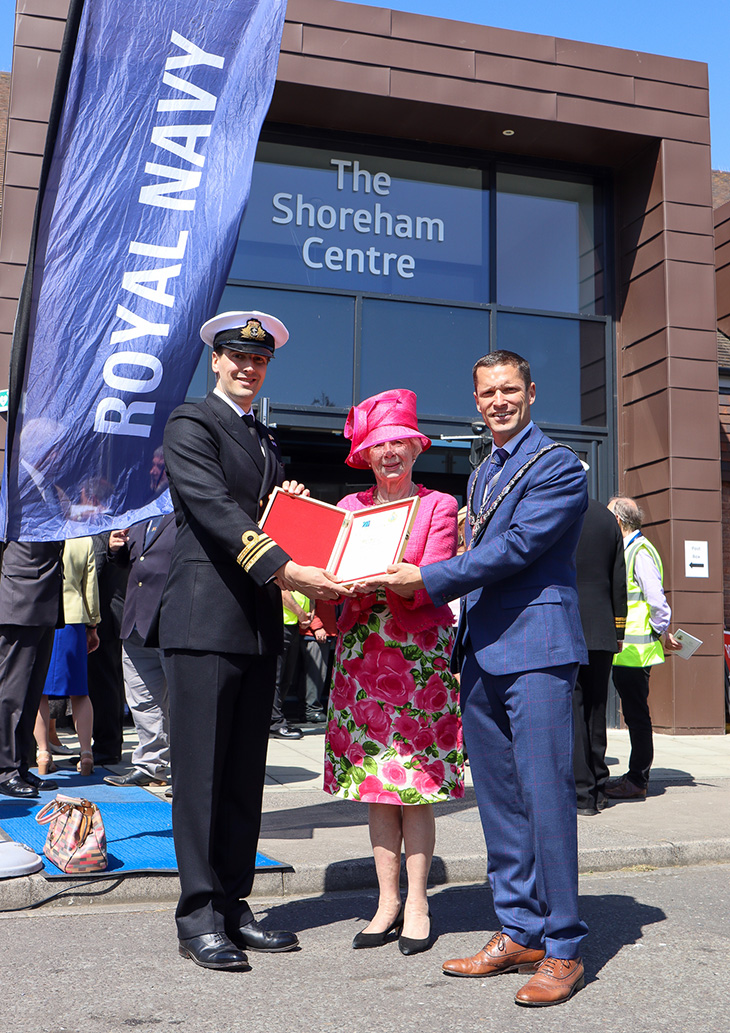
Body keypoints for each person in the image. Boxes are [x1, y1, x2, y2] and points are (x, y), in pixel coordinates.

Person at [368, 352, 589, 1006]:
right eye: (488, 392)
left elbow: (515, 549)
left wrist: (429, 577)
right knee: (500, 802)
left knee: (546, 798)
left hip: (539, 648)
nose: (499, 400)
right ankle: (519, 927)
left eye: (510, 389)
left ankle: (564, 946)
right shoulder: (486, 468)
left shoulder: (556, 465)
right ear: (477, 398)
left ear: (530, 392)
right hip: (486, 648)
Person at [158, 310, 344, 971]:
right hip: (205, 620)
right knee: (201, 776)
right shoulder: (190, 422)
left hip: (257, 623)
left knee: (241, 780)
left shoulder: (264, 440)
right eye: (237, 356)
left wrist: (287, 506)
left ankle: (235, 907)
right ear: (215, 359)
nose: (248, 366)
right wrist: (287, 564)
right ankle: (198, 915)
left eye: (259, 361)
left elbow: (259, 515)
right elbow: (213, 507)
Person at [325, 389, 463, 957]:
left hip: (417, 659)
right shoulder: (348, 509)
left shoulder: (438, 506)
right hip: (361, 656)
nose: (390, 453)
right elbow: (327, 594)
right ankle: (385, 903)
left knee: (417, 789)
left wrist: (388, 578)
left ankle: (419, 904)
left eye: (399, 443)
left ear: (416, 448)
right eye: (379, 444)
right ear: (366, 451)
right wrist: (336, 590)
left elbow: (432, 579)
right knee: (378, 788)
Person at [0, 420, 66, 799]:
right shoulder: (14, 481)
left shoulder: (47, 485)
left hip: (43, 602)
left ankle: (21, 765)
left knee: (30, 692)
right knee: (11, 693)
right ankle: (4, 768)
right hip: (18, 600)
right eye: (54, 446)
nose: (59, 453)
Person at [604, 496, 680, 801]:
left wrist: (662, 631)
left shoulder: (639, 551)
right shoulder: (631, 549)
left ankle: (637, 780)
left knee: (637, 715)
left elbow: (656, 601)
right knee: (635, 714)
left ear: (619, 522)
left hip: (635, 651)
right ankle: (636, 777)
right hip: (628, 651)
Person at [103, 510, 176, 787]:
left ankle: (187, 775)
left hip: (170, 621)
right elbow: (131, 561)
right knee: (143, 700)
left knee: (182, 703)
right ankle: (150, 767)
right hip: (135, 621)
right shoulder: (140, 513)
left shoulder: (187, 507)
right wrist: (114, 548)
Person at [573, 496, 627, 815]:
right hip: (602, 628)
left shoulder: (555, 511)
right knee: (596, 709)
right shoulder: (607, 519)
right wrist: (618, 630)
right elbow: (618, 579)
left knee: (574, 709)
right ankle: (598, 784)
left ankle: (582, 794)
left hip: (567, 625)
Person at [33, 536, 100, 777]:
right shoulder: (85, 540)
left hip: (43, 616)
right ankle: (86, 753)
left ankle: (43, 753)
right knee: (80, 692)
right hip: (74, 619)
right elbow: (90, 589)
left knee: (39, 691)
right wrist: (93, 625)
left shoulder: (42, 533)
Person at [269, 590, 306, 740]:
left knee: (286, 677)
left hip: (293, 623)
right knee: (275, 678)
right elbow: (283, 593)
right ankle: (274, 722)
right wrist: (302, 614)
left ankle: (274, 718)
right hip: (280, 623)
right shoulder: (288, 567)